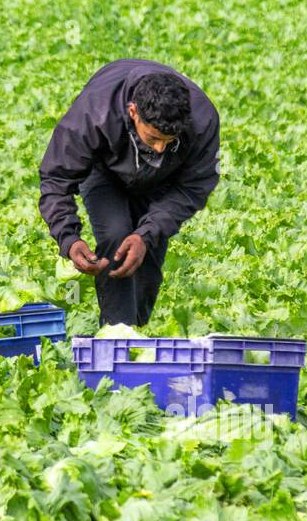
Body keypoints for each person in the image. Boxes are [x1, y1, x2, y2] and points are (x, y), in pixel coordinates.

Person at [39, 61, 220, 328]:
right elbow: (56, 177)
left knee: (144, 258)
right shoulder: (94, 113)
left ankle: (135, 332)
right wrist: (69, 239)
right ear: (133, 112)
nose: (159, 149)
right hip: (105, 171)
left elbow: (193, 187)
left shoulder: (202, 120)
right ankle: (115, 337)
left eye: (168, 141)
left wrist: (146, 234)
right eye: (153, 138)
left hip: (164, 180)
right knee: (116, 236)